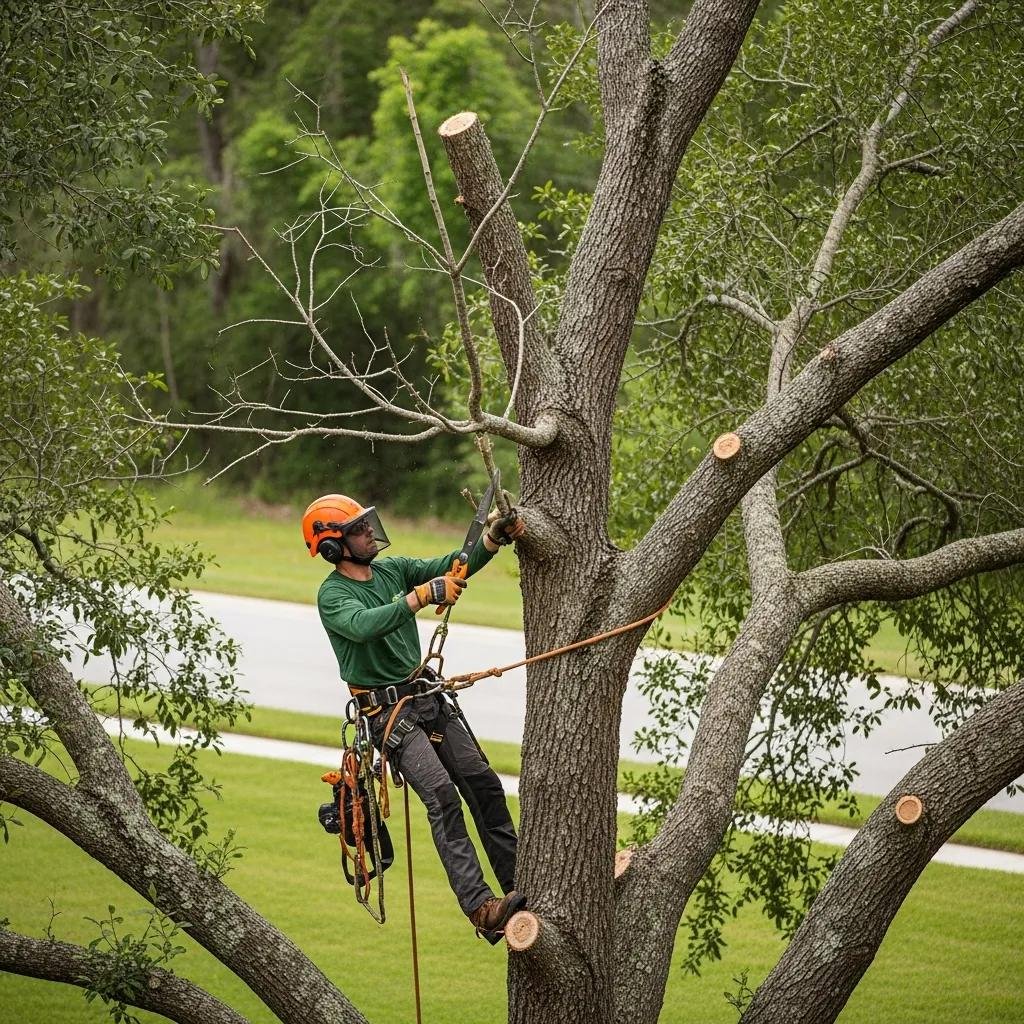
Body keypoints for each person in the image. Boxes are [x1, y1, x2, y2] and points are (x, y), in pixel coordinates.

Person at [302, 493, 527, 942]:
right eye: (359, 530)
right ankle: (481, 909)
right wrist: (420, 598)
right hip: (388, 713)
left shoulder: (392, 569)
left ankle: (521, 884)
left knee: (481, 782)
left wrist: (489, 540)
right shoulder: (333, 594)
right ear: (333, 547)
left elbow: (450, 565)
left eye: (368, 524)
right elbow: (364, 624)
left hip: (425, 696)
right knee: (442, 795)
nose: (370, 533)